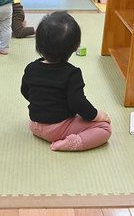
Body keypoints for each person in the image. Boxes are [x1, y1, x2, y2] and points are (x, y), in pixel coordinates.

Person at [21, 12, 112, 151]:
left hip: (35, 124)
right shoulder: (72, 73)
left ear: (38, 45)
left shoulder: (31, 68)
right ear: (75, 47)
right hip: (59, 128)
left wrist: (43, 103)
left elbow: (25, 91)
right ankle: (73, 143)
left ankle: (50, 133)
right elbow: (78, 104)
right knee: (104, 128)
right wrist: (97, 115)